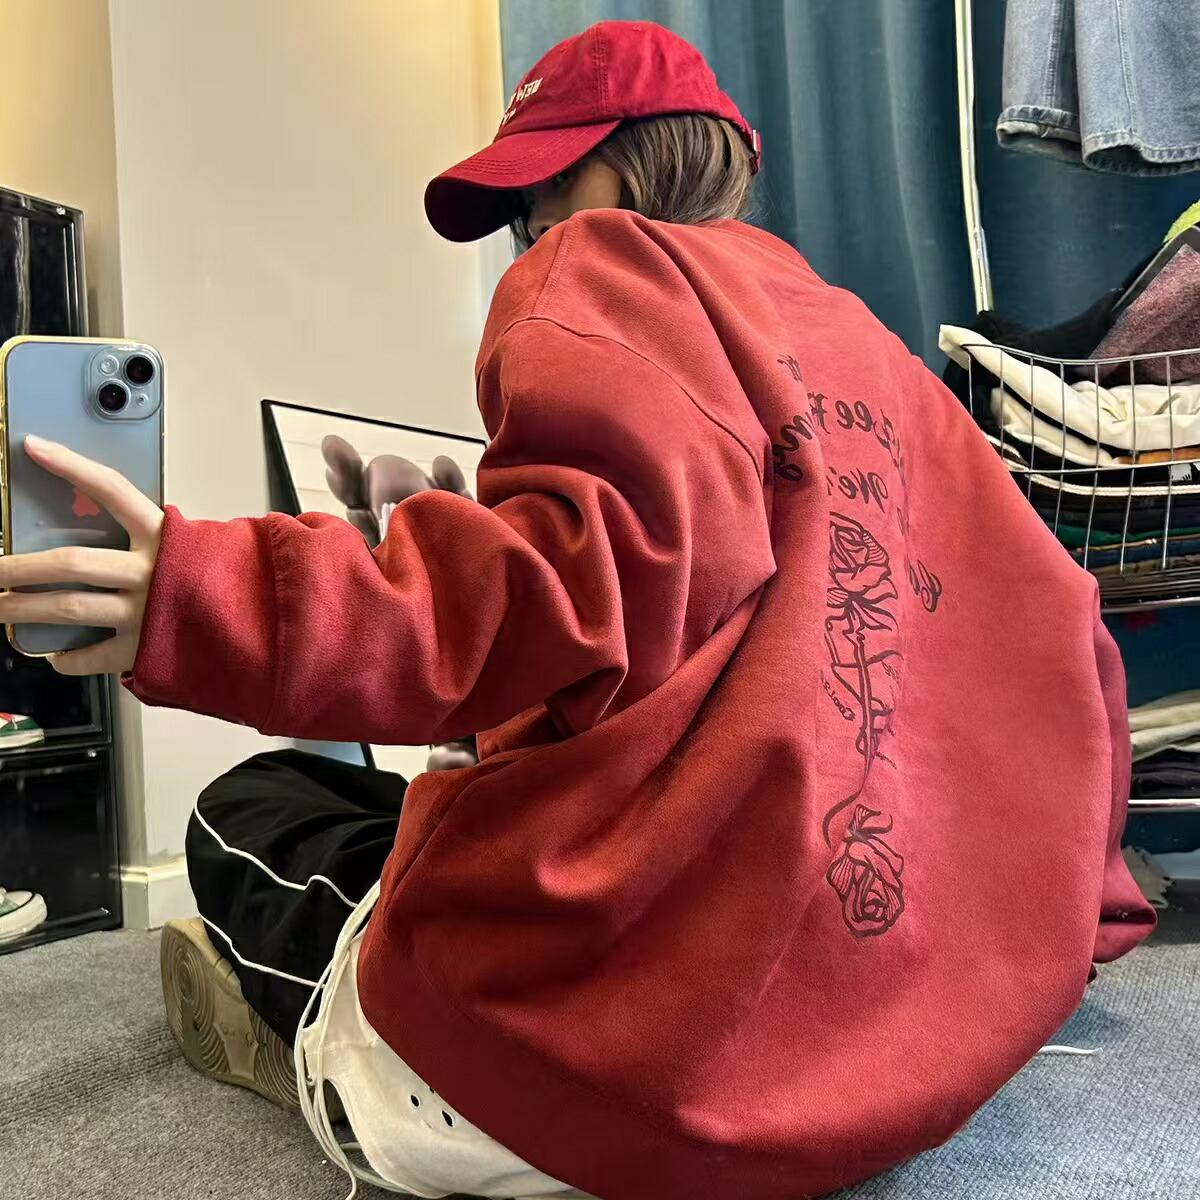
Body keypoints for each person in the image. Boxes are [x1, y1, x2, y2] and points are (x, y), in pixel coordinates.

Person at [0, 20, 1154, 1200]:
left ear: (624, 166)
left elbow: (545, 592)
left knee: (251, 811)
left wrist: (195, 594)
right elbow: (1066, 641)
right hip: (899, 1054)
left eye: (544, 189)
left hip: (639, 1082)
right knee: (447, 799)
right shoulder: (868, 346)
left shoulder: (609, 263)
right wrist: (1069, 926)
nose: (537, 230)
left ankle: (327, 1056)